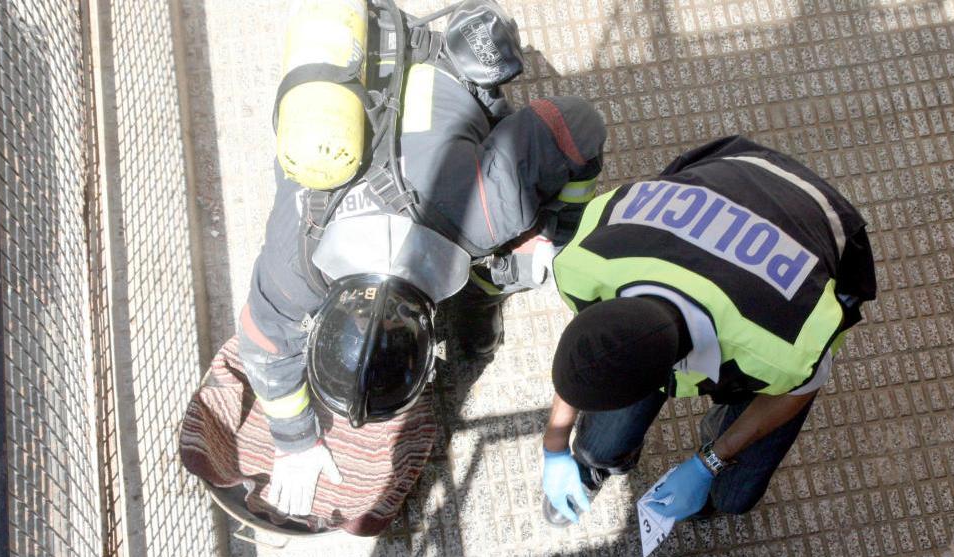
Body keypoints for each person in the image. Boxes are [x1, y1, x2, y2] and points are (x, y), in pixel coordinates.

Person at [240, 1, 605, 517]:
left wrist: (554, 231)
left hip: (430, 64)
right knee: (501, 267)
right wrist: (295, 441)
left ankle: (484, 317)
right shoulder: (293, 262)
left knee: (514, 270)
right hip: (369, 68)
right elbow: (260, 346)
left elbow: (577, 124)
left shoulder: (485, 209)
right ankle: (478, 330)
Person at [539, 135, 875, 526]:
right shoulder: (585, 261)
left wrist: (710, 462)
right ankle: (603, 462)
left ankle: (711, 481)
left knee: (734, 495)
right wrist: (554, 446)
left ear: (671, 376)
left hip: (818, 220)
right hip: (722, 174)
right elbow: (588, 353)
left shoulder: (779, 344)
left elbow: (802, 387)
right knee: (600, 446)